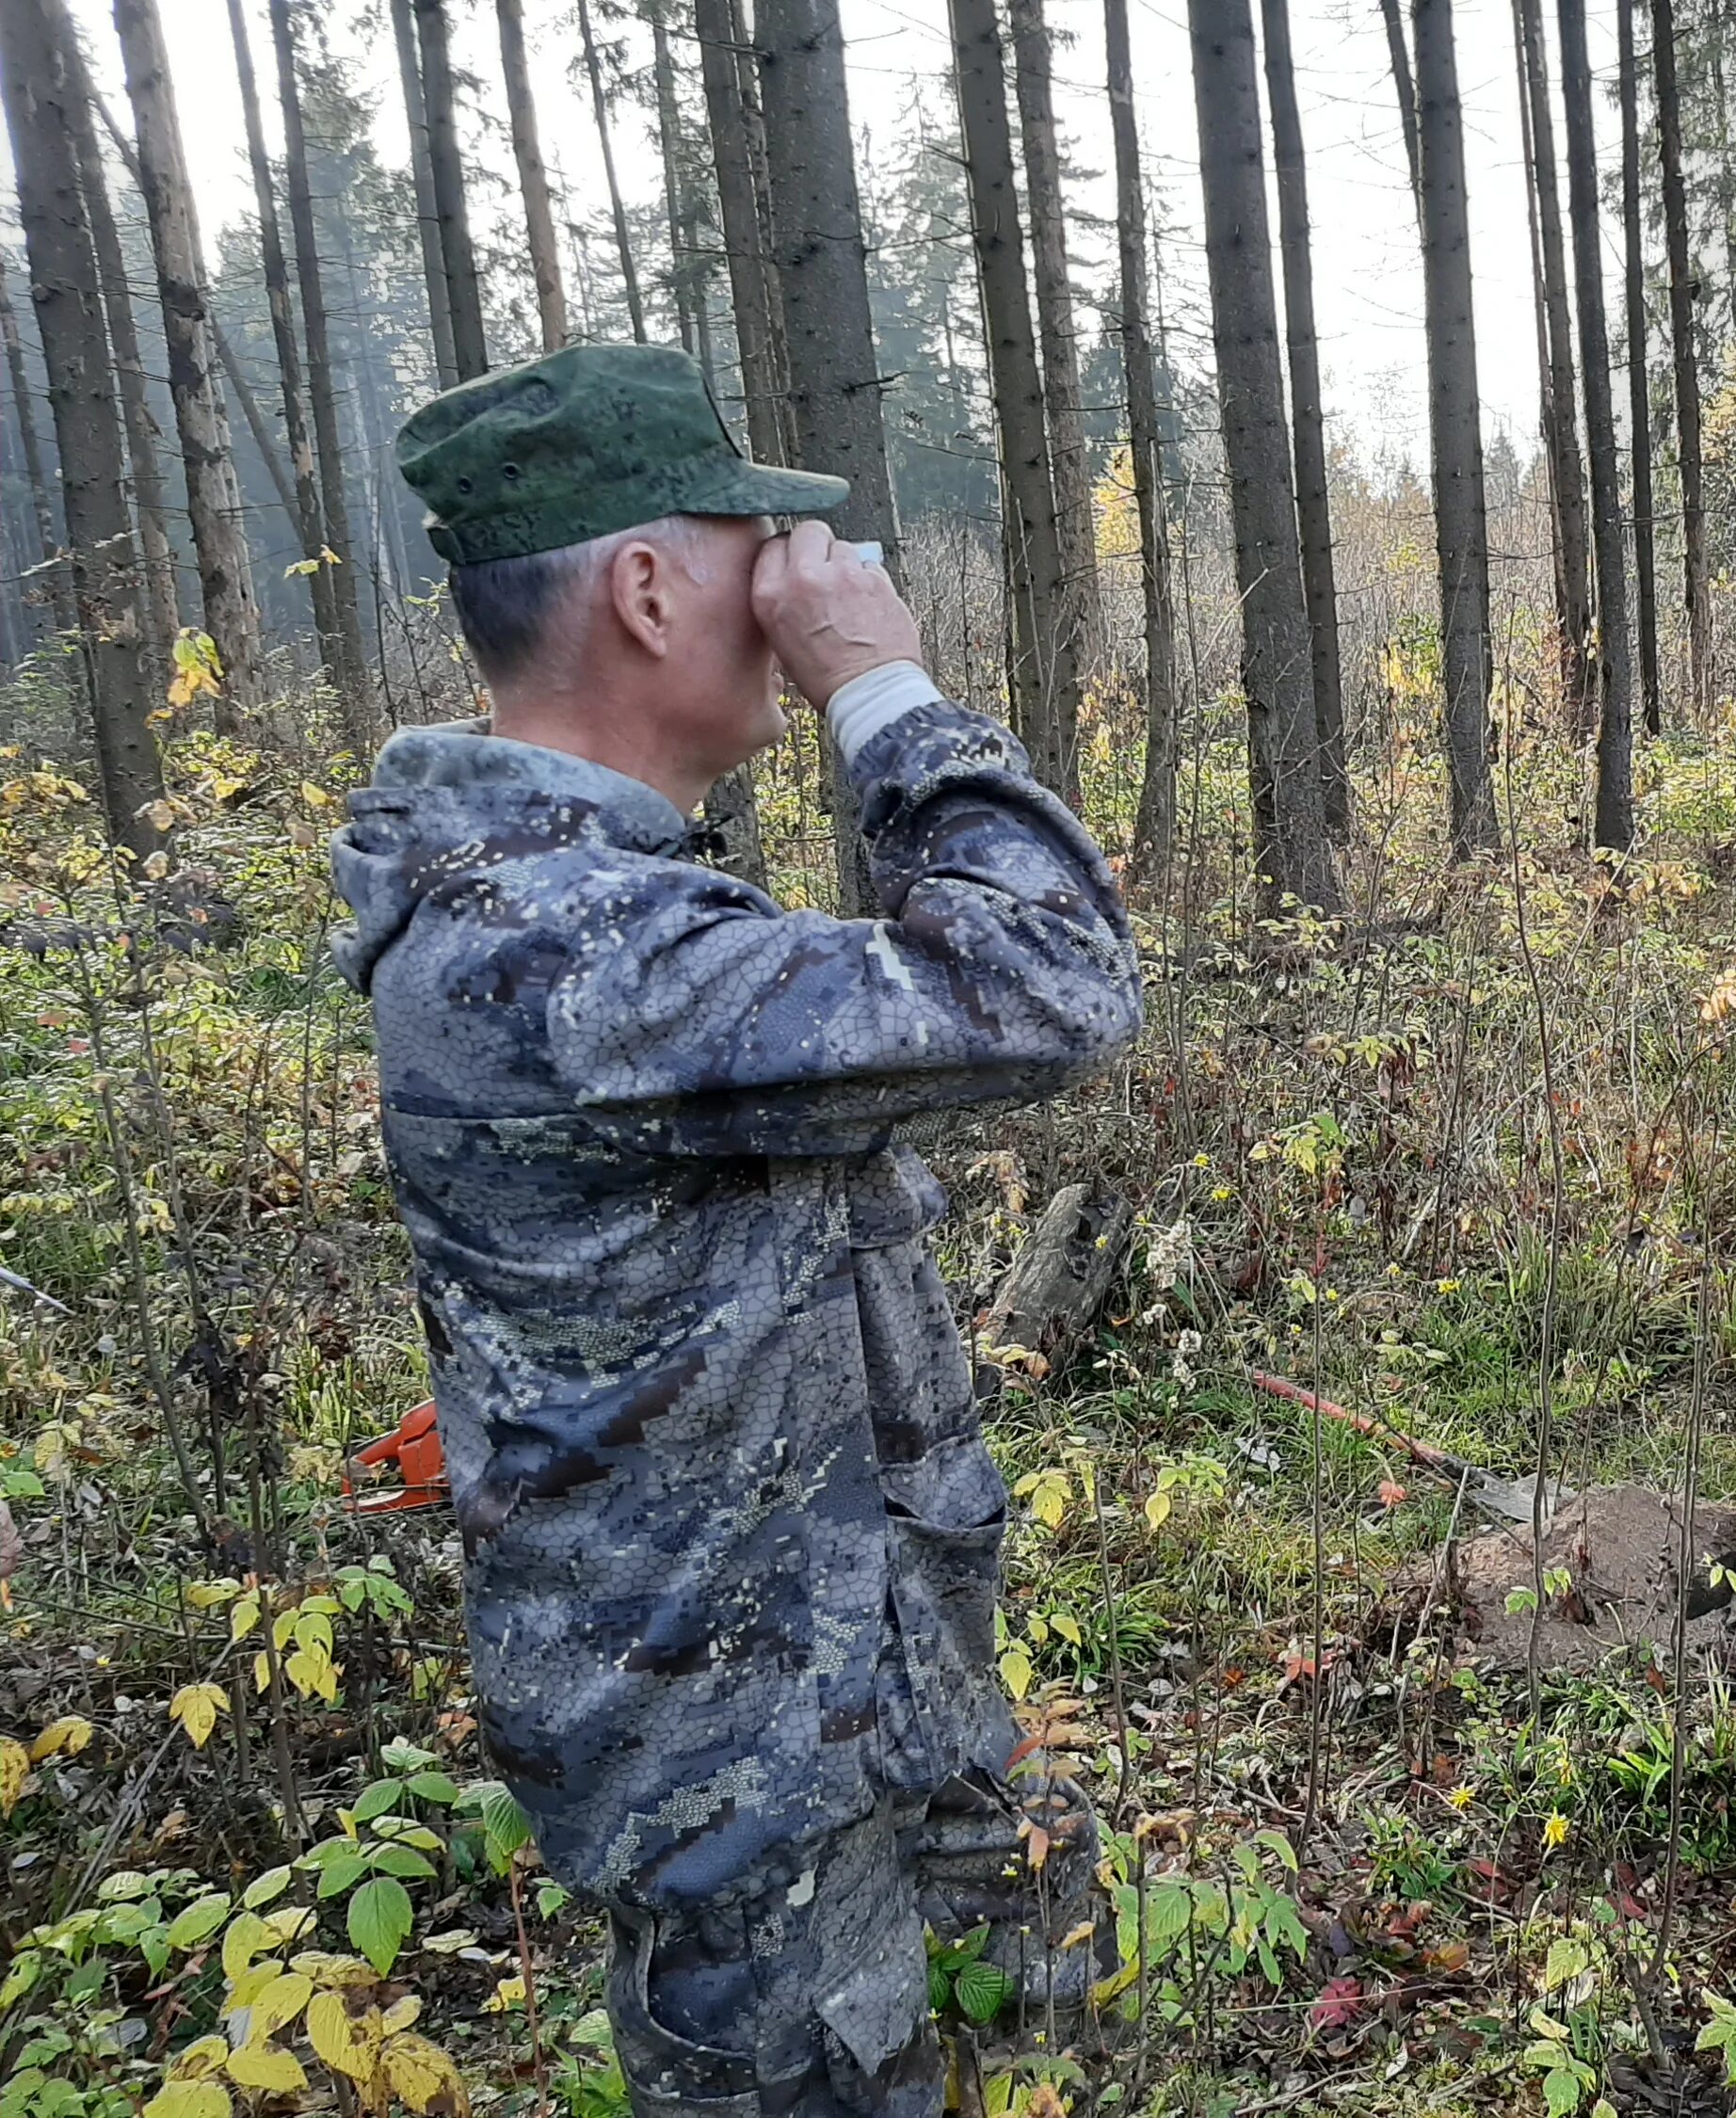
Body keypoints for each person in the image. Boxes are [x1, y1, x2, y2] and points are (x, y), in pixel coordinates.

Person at [332, 343, 1143, 2118]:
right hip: (738, 1755)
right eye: (749, 550)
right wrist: (887, 688)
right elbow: (1052, 981)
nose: (794, 592)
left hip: (841, 1670)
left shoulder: (588, 905)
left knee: (1012, 2008)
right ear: (644, 589)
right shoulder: (561, 945)